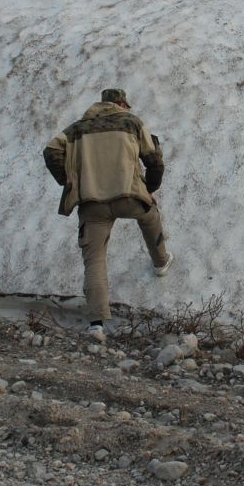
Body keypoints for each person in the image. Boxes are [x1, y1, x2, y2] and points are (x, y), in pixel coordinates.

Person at [43, 88, 171, 331]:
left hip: (92, 205)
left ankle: (96, 324)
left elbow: (51, 151)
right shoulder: (131, 122)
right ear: (122, 103)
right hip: (129, 196)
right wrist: (150, 189)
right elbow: (154, 159)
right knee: (150, 216)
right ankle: (161, 262)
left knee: (94, 260)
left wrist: (70, 182)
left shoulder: (77, 129)